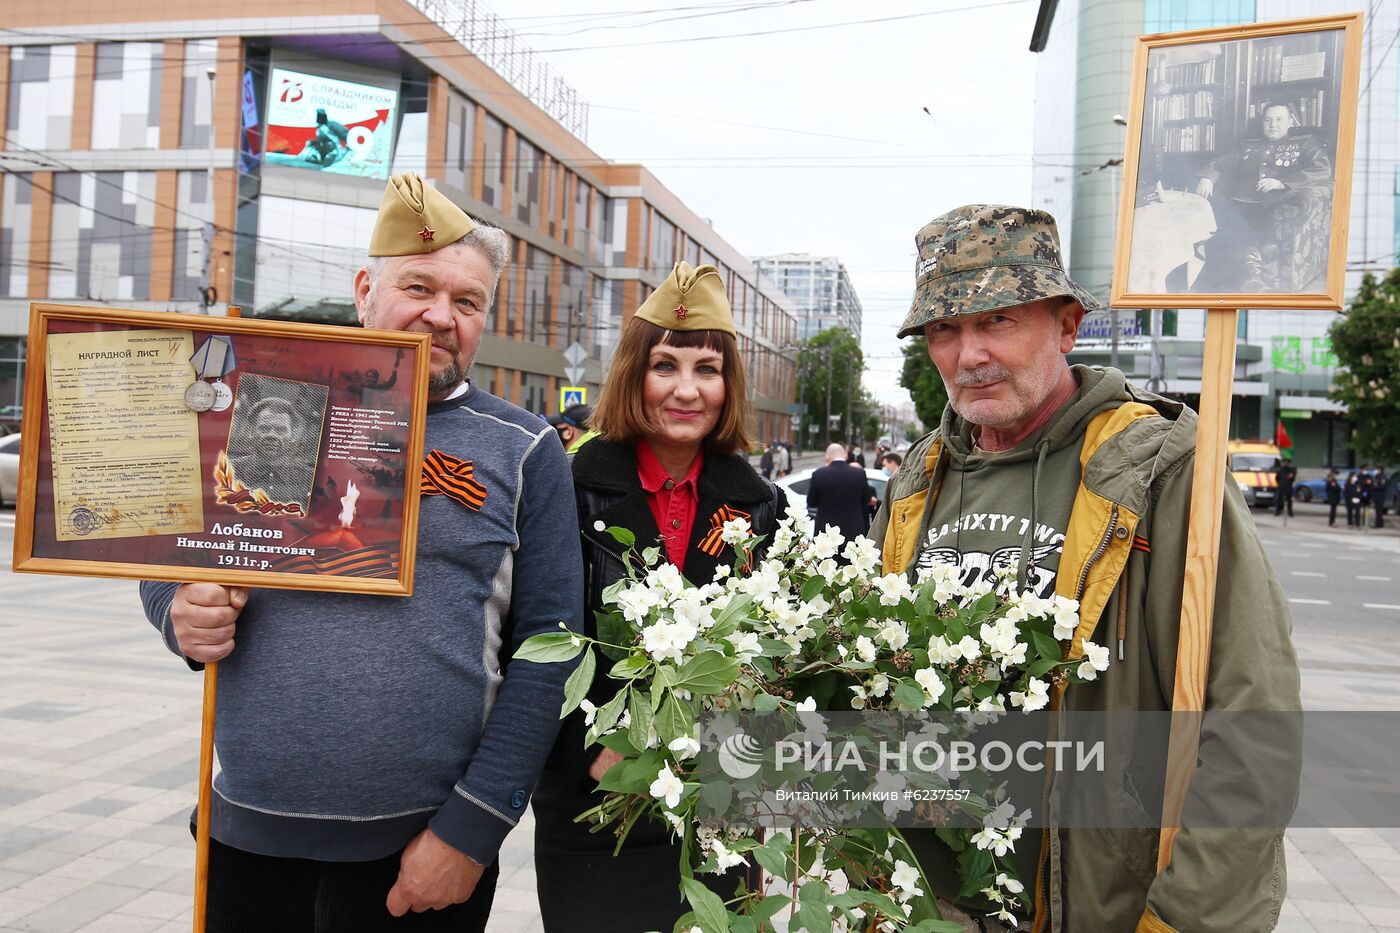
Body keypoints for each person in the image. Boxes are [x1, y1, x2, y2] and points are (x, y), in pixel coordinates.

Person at [139, 174, 584, 932]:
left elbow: (551, 652)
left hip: (422, 854)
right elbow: (166, 548)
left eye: (468, 300)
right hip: (247, 832)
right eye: (419, 286)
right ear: (364, 289)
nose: (441, 316)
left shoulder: (524, 447)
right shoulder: (266, 398)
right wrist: (177, 606)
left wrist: (472, 831)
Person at [870, 204, 1301, 932]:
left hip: (1101, 908)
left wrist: (1182, 919)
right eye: (945, 329)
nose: (968, 353)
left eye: (998, 320)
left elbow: (1254, 720)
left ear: (1067, 325)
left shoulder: (1160, 468)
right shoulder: (918, 480)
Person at [532, 262, 787, 933]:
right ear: (631, 375)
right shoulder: (569, 488)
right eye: (664, 365)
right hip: (597, 804)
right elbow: (527, 641)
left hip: (718, 803)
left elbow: (777, 651)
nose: (685, 389)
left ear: (728, 385)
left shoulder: (761, 506)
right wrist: (590, 750)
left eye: (707, 369)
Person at [1192, 102, 1333, 293]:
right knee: (1212, 204)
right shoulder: (1249, 147)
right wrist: (1207, 178)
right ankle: (1247, 277)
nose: (1273, 124)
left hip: (1273, 206)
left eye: (1279, 119)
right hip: (1240, 204)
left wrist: (1283, 183)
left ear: (1290, 121)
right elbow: (1220, 164)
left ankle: (1248, 276)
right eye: (1268, 120)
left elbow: (1322, 169)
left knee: (1232, 231)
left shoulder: (1305, 143)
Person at [228, 395, 317, 509]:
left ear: (293, 436)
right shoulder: (229, 471)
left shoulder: (309, 479)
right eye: (264, 428)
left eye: (281, 430)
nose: (272, 435)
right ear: (251, 431)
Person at [808, 442, 877, 541]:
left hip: (825, 534)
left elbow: (811, 502)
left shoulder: (819, 475)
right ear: (845, 455)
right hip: (852, 532)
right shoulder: (859, 474)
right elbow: (866, 499)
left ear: (827, 456)